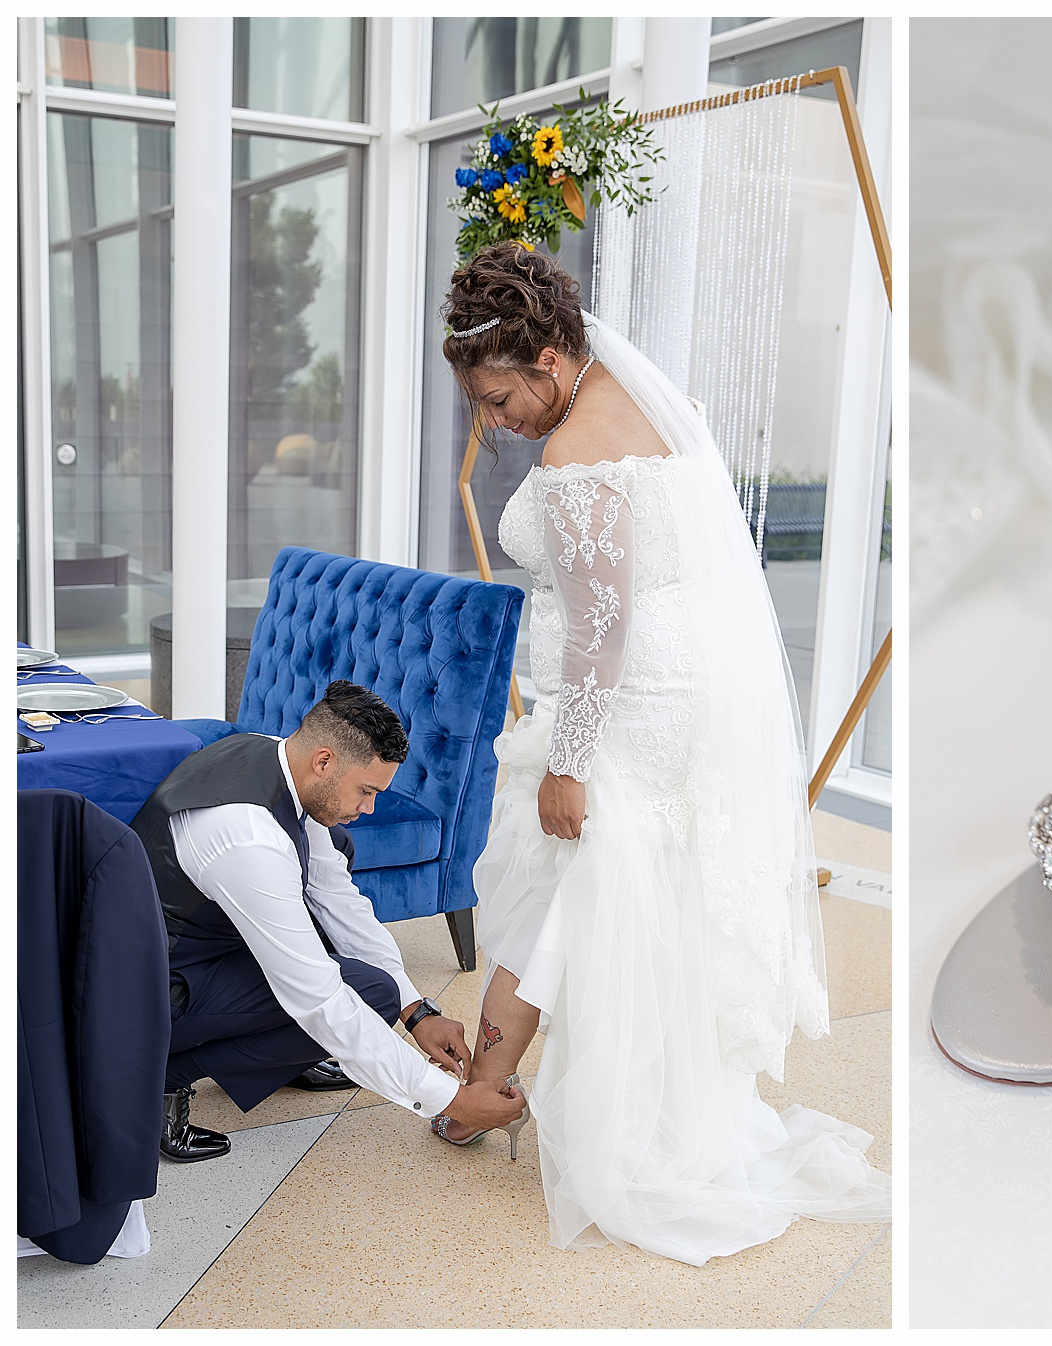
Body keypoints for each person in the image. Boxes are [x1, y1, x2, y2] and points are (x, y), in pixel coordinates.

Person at [438, 243, 890, 1265]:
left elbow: (604, 626)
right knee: (611, 900)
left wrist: (570, 761)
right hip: (673, 692)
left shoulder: (578, 455)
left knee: (550, 882)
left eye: (502, 398)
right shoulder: (648, 401)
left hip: (625, 706)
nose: (495, 423)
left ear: (550, 359)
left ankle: (485, 1095)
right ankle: (508, 1094)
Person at [131, 681, 526, 1161]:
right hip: (153, 993)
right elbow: (316, 996)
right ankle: (163, 1079)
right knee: (340, 998)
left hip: (207, 948)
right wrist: (454, 1100)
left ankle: (285, 1059)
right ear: (324, 761)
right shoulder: (247, 835)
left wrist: (416, 1011)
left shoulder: (277, 762)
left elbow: (338, 899)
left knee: (379, 989)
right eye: (366, 790)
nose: (369, 808)